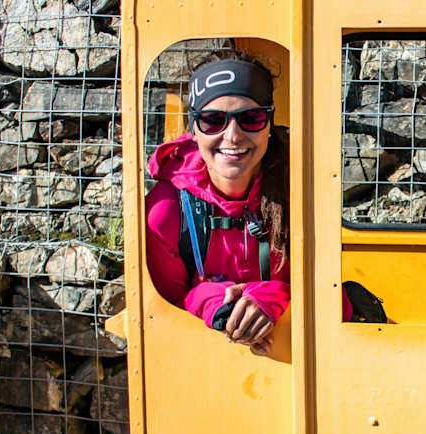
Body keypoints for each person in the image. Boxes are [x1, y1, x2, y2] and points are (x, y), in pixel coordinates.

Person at [144, 52, 350, 353]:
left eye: (250, 119)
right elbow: (161, 314)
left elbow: (337, 309)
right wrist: (211, 301)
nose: (233, 135)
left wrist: (274, 297)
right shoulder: (165, 212)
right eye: (213, 120)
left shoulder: (304, 193)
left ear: (268, 123)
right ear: (194, 127)